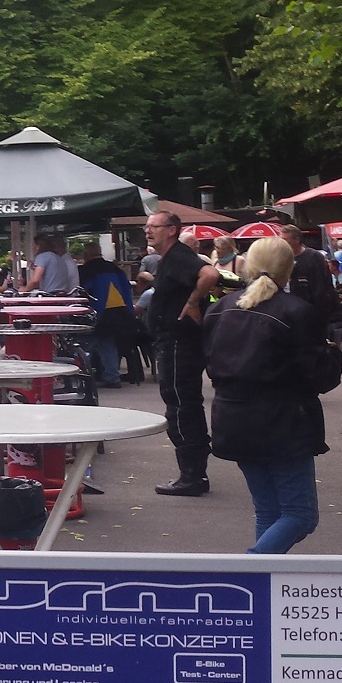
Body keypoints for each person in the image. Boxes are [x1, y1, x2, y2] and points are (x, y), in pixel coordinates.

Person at [202, 237, 330, 553]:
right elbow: (320, 376)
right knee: (300, 515)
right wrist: (331, 355)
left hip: (232, 418)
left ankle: (261, 575)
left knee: (268, 511)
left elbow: (209, 361)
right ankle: (250, 567)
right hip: (284, 421)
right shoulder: (297, 311)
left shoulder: (219, 309)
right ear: (289, 269)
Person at [143, 210, 222, 496]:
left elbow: (210, 273)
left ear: (172, 230)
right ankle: (193, 473)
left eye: (154, 226)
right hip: (174, 341)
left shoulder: (178, 255)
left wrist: (192, 301)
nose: (148, 231)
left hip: (178, 342)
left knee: (180, 405)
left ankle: (192, 475)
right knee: (183, 404)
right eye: (147, 226)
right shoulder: (170, 258)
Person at [77, 244, 136, 389]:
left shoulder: (86, 270)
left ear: (86, 255)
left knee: (85, 345)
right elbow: (126, 288)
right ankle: (112, 377)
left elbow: (83, 291)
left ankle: (81, 377)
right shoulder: (115, 268)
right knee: (107, 343)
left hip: (99, 311)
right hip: (121, 312)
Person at [282, 226, 342, 327]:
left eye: (285, 240)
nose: (282, 243)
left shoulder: (314, 257)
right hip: (291, 312)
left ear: (297, 240)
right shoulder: (283, 258)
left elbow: (322, 288)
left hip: (312, 314)